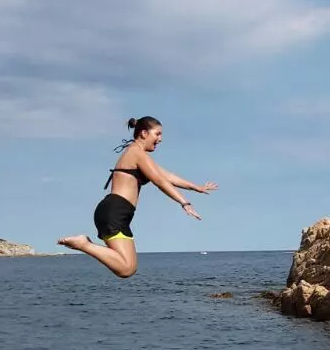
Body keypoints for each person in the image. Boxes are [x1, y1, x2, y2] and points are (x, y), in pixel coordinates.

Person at [58, 116, 217, 278]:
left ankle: (85, 244)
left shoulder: (138, 155)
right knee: (126, 269)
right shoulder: (136, 152)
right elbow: (160, 181)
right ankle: (84, 244)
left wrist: (196, 187)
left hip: (117, 212)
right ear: (143, 133)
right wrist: (184, 203)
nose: (160, 139)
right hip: (115, 212)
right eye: (157, 134)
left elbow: (167, 176)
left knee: (129, 268)